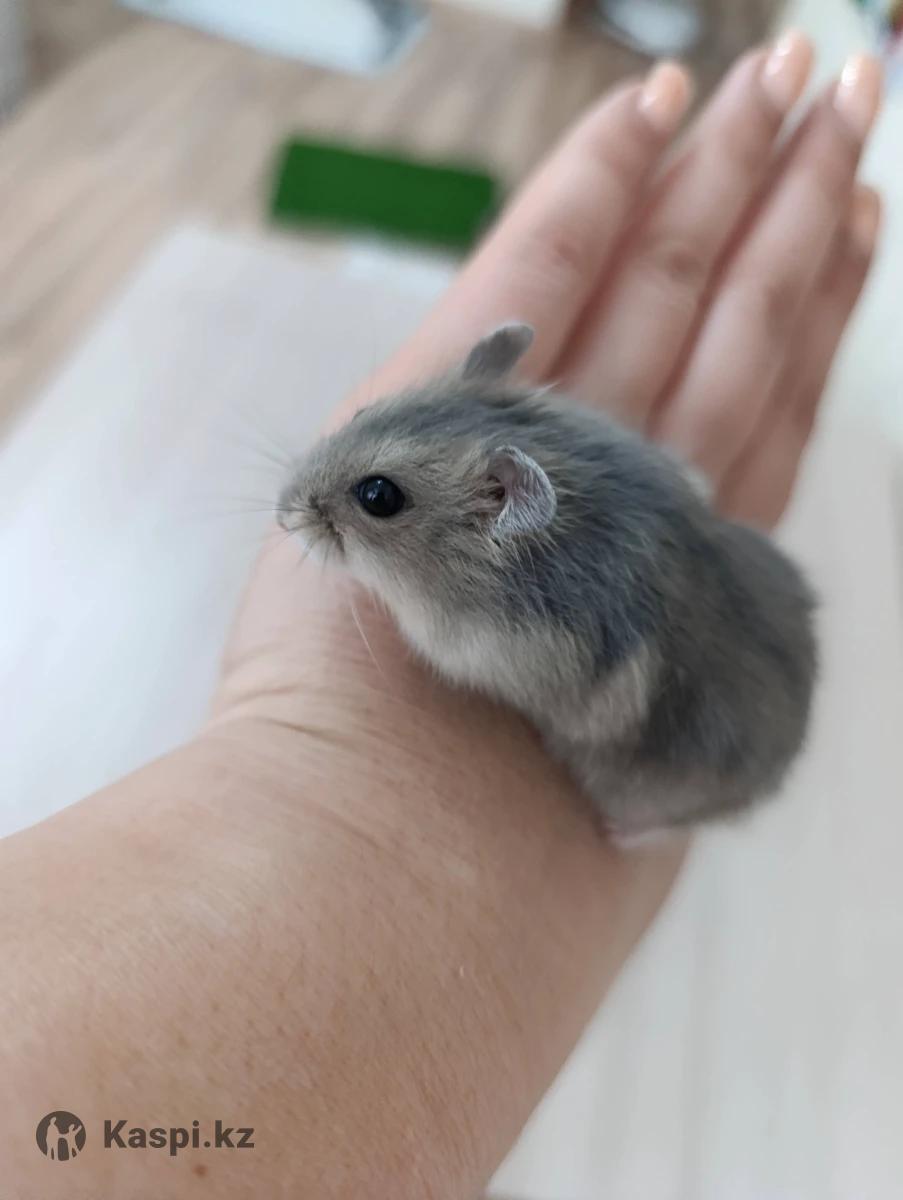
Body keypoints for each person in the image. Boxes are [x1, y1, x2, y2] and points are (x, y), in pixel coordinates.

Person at [0, 37, 883, 1198]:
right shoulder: (504, 507)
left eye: (377, 501)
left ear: (505, 506)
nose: (304, 510)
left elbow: (538, 670)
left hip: (689, 748)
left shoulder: (503, 619)